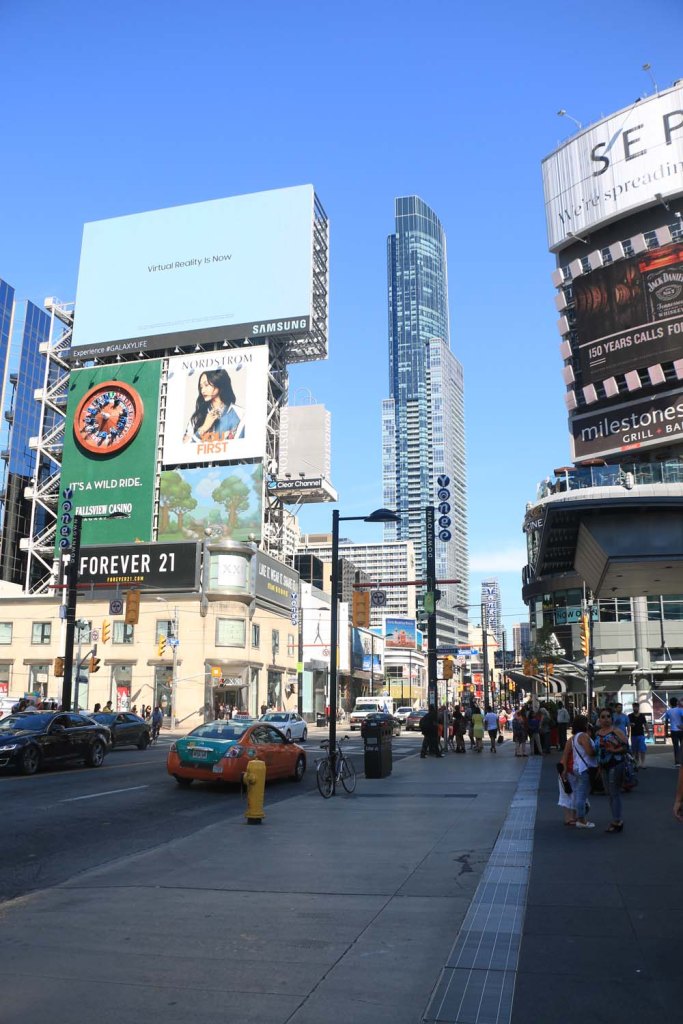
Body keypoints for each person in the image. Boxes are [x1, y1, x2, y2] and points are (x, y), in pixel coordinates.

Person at [183, 369, 244, 444]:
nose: (203, 391)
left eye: (206, 385)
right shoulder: (196, 418)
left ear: (218, 382)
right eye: (201, 387)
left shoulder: (239, 414)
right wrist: (204, 427)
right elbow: (184, 449)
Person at [594, 708, 629, 833]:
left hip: (616, 764)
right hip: (603, 766)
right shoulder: (598, 733)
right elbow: (597, 751)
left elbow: (626, 747)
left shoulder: (616, 731)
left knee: (614, 793)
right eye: (603, 717)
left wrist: (614, 750)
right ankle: (616, 818)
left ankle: (617, 820)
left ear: (611, 718)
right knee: (609, 793)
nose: (606, 719)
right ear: (599, 719)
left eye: (608, 716)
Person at [567, 714, 597, 829]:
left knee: (580, 793)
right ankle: (581, 819)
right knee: (582, 795)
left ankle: (580, 816)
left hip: (577, 766)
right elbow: (589, 752)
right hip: (584, 767)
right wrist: (597, 750)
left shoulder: (574, 737)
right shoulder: (583, 736)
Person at [663, 697, 683, 767]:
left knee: (676, 746)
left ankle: (677, 762)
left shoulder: (668, 711)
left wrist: (666, 733)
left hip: (673, 730)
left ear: (670, 703)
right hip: (681, 730)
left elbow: (666, 722)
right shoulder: (681, 710)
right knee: (682, 746)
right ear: (677, 702)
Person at [628, 702, 648, 768]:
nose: (635, 708)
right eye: (634, 707)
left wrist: (648, 732)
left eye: (636, 707)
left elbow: (645, 724)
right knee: (635, 750)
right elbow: (628, 724)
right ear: (632, 707)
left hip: (641, 734)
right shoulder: (630, 716)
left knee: (642, 749)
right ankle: (637, 763)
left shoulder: (642, 716)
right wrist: (631, 724)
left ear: (638, 708)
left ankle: (643, 763)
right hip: (633, 735)